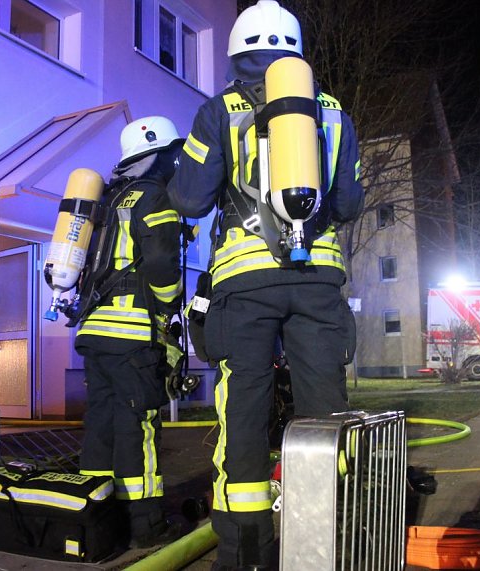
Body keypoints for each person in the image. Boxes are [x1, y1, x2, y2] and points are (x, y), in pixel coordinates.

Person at [167, 2, 363, 568]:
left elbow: (189, 199)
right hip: (319, 281)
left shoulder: (219, 109)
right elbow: (350, 204)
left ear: (235, 52)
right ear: (297, 49)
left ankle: (243, 555)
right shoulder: (332, 114)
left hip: (246, 282)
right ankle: (334, 539)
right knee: (328, 414)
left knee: (245, 415)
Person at [73, 116, 184, 549]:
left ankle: (99, 519)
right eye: (174, 154)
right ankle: (147, 526)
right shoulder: (154, 196)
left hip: (96, 332)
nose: (178, 162)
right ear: (157, 155)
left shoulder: (106, 198)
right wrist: (171, 302)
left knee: (102, 422)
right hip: (133, 333)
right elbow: (159, 265)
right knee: (139, 425)